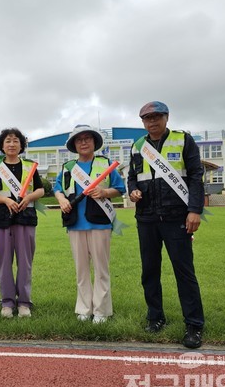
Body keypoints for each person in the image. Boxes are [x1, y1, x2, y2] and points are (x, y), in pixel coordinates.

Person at [128, 101, 205, 349]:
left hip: (176, 217)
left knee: (184, 271)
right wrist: (133, 191)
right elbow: (132, 177)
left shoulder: (183, 140)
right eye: (147, 118)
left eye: (157, 116)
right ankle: (155, 317)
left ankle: (194, 324)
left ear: (166, 117)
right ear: (142, 122)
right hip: (147, 218)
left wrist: (194, 210)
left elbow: (195, 176)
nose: (152, 121)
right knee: (149, 270)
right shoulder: (137, 146)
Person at [54, 125, 125, 324]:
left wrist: (104, 192)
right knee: (81, 270)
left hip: (100, 223)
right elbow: (57, 188)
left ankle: (102, 310)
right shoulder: (68, 167)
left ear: (94, 142)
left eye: (88, 139)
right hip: (75, 224)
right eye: (79, 140)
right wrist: (61, 200)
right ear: (74, 145)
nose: (84, 142)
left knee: (102, 269)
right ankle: (84, 309)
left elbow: (120, 188)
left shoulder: (106, 164)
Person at [0, 128, 45, 319]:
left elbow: (41, 190)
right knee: (4, 262)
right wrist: (6, 201)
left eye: (15, 141)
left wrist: (29, 198)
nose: (11, 144)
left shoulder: (30, 166)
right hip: (1, 220)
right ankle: (7, 302)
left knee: (25, 262)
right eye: (8, 141)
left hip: (25, 218)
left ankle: (25, 302)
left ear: (21, 145)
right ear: (2, 145)